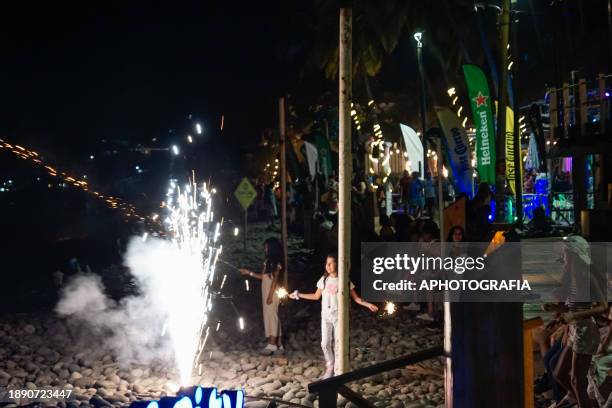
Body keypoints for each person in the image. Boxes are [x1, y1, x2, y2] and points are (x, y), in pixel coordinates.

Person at [289, 254, 378, 378]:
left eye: (331, 263)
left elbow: (356, 298)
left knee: (338, 343)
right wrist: (298, 294)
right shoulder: (324, 280)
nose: (328, 266)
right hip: (325, 315)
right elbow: (316, 296)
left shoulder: (344, 280)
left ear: (337, 264)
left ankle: (337, 371)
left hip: (338, 316)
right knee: (324, 343)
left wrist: (367, 304)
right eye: (327, 263)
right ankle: (330, 365)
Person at [546, 235, 609, 408]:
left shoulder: (587, 275)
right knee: (559, 372)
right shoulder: (571, 276)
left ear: (575, 255)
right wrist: (555, 311)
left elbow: (603, 307)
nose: (564, 256)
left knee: (576, 380)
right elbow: (573, 309)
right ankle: (581, 400)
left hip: (586, 331)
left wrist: (572, 317)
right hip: (575, 330)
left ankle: (582, 402)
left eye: (566, 252)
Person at [239, 237, 285, 354]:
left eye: (266, 247)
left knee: (272, 317)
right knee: (271, 316)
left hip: (272, 292)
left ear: (272, 248)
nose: (264, 249)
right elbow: (263, 277)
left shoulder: (277, 263)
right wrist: (248, 272)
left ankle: (272, 344)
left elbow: (274, 281)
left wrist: (270, 295)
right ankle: (278, 344)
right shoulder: (268, 262)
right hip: (266, 291)